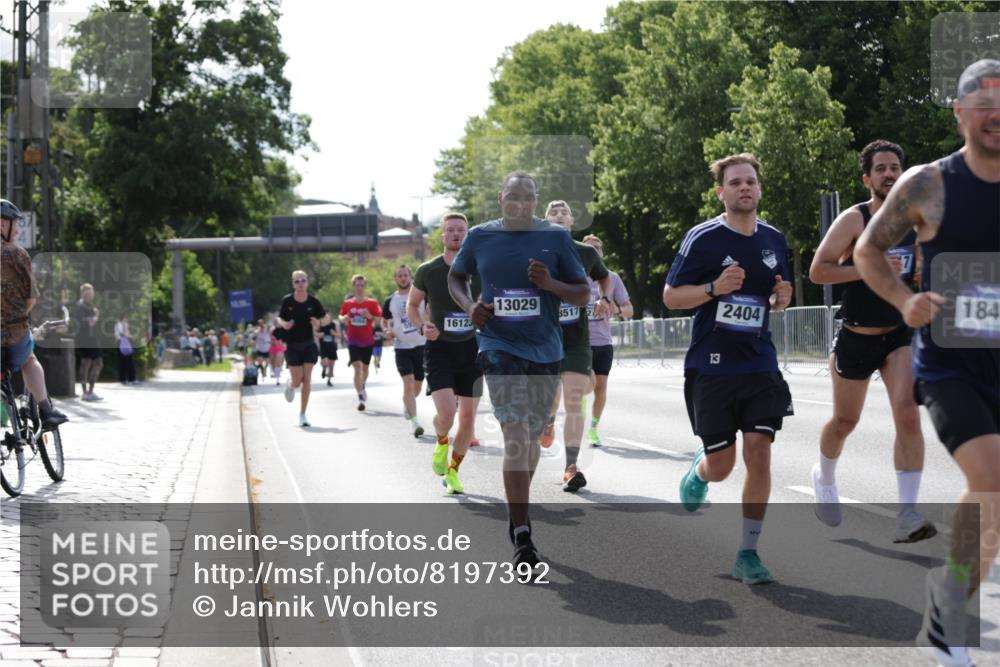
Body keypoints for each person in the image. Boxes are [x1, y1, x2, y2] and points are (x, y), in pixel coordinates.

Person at [854, 59, 1000, 667]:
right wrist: (904, 299)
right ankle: (948, 624)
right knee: (992, 477)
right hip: (950, 362)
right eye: (983, 102)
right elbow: (868, 250)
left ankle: (950, 595)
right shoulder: (927, 184)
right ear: (960, 113)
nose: (996, 113)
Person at [664, 153, 794, 586]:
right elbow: (670, 297)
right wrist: (712, 289)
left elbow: (777, 300)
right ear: (721, 192)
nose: (744, 188)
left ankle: (748, 552)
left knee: (760, 452)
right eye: (735, 182)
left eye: (750, 182)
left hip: (759, 363)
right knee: (722, 466)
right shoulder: (702, 238)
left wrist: (783, 297)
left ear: (758, 189)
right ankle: (700, 469)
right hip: (712, 366)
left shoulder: (774, 240)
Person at [449, 171, 589, 566]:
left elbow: (582, 293)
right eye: (514, 197)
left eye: (529, 198)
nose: (521, 204)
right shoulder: (480, 237)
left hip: (545, 349)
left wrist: (550, 284)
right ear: (500, 198)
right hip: (498, 344)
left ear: (535, 200)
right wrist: (470, 307)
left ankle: (517, 512)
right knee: (514, 432)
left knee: (530, 438)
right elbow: (456, 277)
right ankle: (523, 535)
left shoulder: (556, 238)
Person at [808, 139, 935, 542]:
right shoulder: (855, 220)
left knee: (908, 413)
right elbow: (818, 271)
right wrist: (867, 269)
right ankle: (824, 474)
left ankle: (908, 514)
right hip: (857, 334)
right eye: (880, 168)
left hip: (899, 334)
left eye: (895, 167)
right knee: (846, 421)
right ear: (867, 178)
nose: (889, 174)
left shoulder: (917, 220)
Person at [539, 201, 614, 492]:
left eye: (564, 212)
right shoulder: (534, 251)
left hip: (576, 340)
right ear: (545, 222)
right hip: (542, 339)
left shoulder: (585, 253)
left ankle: (571, 466)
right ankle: (546, 419)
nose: (559, 215)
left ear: (572, 221)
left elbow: (604, 277)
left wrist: (604, 299)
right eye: (553, 213)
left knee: (573, 399)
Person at [409, 213, 484, 494]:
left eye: (461, 230)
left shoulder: (480, 269)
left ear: (467, 235)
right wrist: (422, 326)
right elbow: (413, 305)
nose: (455, 234)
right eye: (450, 230)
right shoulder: (429, 270)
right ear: (443, 236)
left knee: (467, 420)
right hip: (439, 349)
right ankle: (441, 441)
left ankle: (453, 471)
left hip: (473, 350)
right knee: (447, 414)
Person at [0, 199, 68, 430]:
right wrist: (20, 316)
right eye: (14, 224)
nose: (18, 230)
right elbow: (31, 299)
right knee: (29, 359)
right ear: (2, 225)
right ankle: (46, 409)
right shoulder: (18, 255)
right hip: (13, 335)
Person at [581, 234, 633, 447]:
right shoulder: (574, 276)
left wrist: (614, 308)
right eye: (589, 248)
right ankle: (577, 416)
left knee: (600, 388)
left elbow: (629, 310)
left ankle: (593, 428)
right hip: (580, 343)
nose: (594, 251)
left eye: (597, 248)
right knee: (588, 384)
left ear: (602, 253)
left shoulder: (612, 278)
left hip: (603, 343)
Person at [277, 271, 330, 427]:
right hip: (292, 345)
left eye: (303, 280)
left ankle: (303, 414)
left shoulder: (313, 301)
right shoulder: (287, 301)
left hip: (308, 344)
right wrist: (284, 324)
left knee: (307, 379)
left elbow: (326, 319)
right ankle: (291, 386)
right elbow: (280, 317)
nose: (300, 283)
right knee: (297, 380)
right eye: (297, 281)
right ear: (293, 284)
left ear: (307, 283)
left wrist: (319, 322)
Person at [383, 265, 427, 437]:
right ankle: (415, 423)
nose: (403, 278)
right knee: (408, 384)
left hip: (421, 345)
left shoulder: (421, 296)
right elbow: (385, 321)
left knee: (417, 387)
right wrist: (388, 330)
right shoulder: (391, 301)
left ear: (410, 277)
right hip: (402, 347)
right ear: (395, 278)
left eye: (405, 275)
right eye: (399, 276)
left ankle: (408, 404)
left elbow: (429, 312)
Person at [340, 275, 382, 411]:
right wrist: (344, 318)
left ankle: (362, 385)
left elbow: (378, 320)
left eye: (362, 285)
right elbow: (341, 316)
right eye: (357, 285)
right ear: (353, 286)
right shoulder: (348, 303)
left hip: (367, 341)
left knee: (365, 368)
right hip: (352, 340)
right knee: (357, 368)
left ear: (365, 287)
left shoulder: (372, 303)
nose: (359, 288)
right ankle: (360, 397)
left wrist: (369, 316)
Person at [73, 283, 104, 401]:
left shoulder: (85, 305)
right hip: (88, 339)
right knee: (98, 363)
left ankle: (86, 393)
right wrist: (95, 317)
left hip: (84, 338)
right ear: (83, 293)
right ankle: (88, 392)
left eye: (92, 292)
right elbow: (80, 322)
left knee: (85, 363)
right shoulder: (81, 305)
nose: (91, 295)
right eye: (89, 292)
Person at [317, 318, 340, 386]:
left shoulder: (334, 325)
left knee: (331, 365)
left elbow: (339, 335)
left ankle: (329, 380)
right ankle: (324, 369)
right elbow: (314, 333)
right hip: (323, 346)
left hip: (332, 346)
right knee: (325, 362)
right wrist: (320, 334)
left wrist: (334, 333)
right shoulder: (320, 325)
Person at [115, 314, 137, 384]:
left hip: (119, 343)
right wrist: (132, 337)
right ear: (123, 318)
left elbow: (116, 335)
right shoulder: (124, 324)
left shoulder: (116, 325)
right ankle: (132, 379)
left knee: (122, 362)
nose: (127, 319)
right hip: (125, 343)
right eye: (126, 317)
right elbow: (126, 334)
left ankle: (122, 379)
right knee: (129, 362)